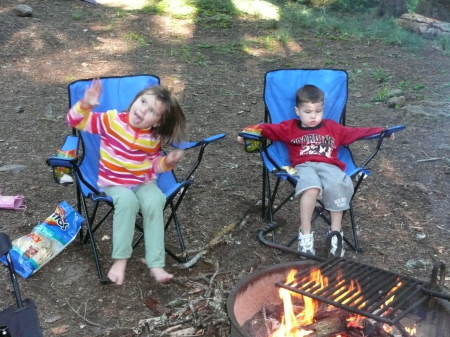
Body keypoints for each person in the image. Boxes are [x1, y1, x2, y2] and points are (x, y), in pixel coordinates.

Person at [237, 84, 394, 257]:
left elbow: (357, 132)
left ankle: (335, 234)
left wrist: (382, 132)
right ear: (297, 111)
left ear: (323, 109)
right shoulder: (289, 128)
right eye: (308, 112)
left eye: (318, 111)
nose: (313, 116)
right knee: (311, 188)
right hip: (304, 166)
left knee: (337, 184)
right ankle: (305, 234)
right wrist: (245, 132)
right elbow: (265, 128)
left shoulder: (333, 128)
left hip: (330, 166)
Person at [67, 78, 187, 285]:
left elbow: (152, 165)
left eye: (152, 111)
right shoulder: (111, 120)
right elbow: (74, 121)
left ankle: (156, 264)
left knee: (155, 200)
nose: (142, 110)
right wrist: (86, 104)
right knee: (128, 201)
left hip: (142, 182)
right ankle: (120, 260)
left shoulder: (152, 138)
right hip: (114, 183)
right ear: (135, 101)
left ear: (157, 122)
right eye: (142, 102)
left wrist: (167, 162)